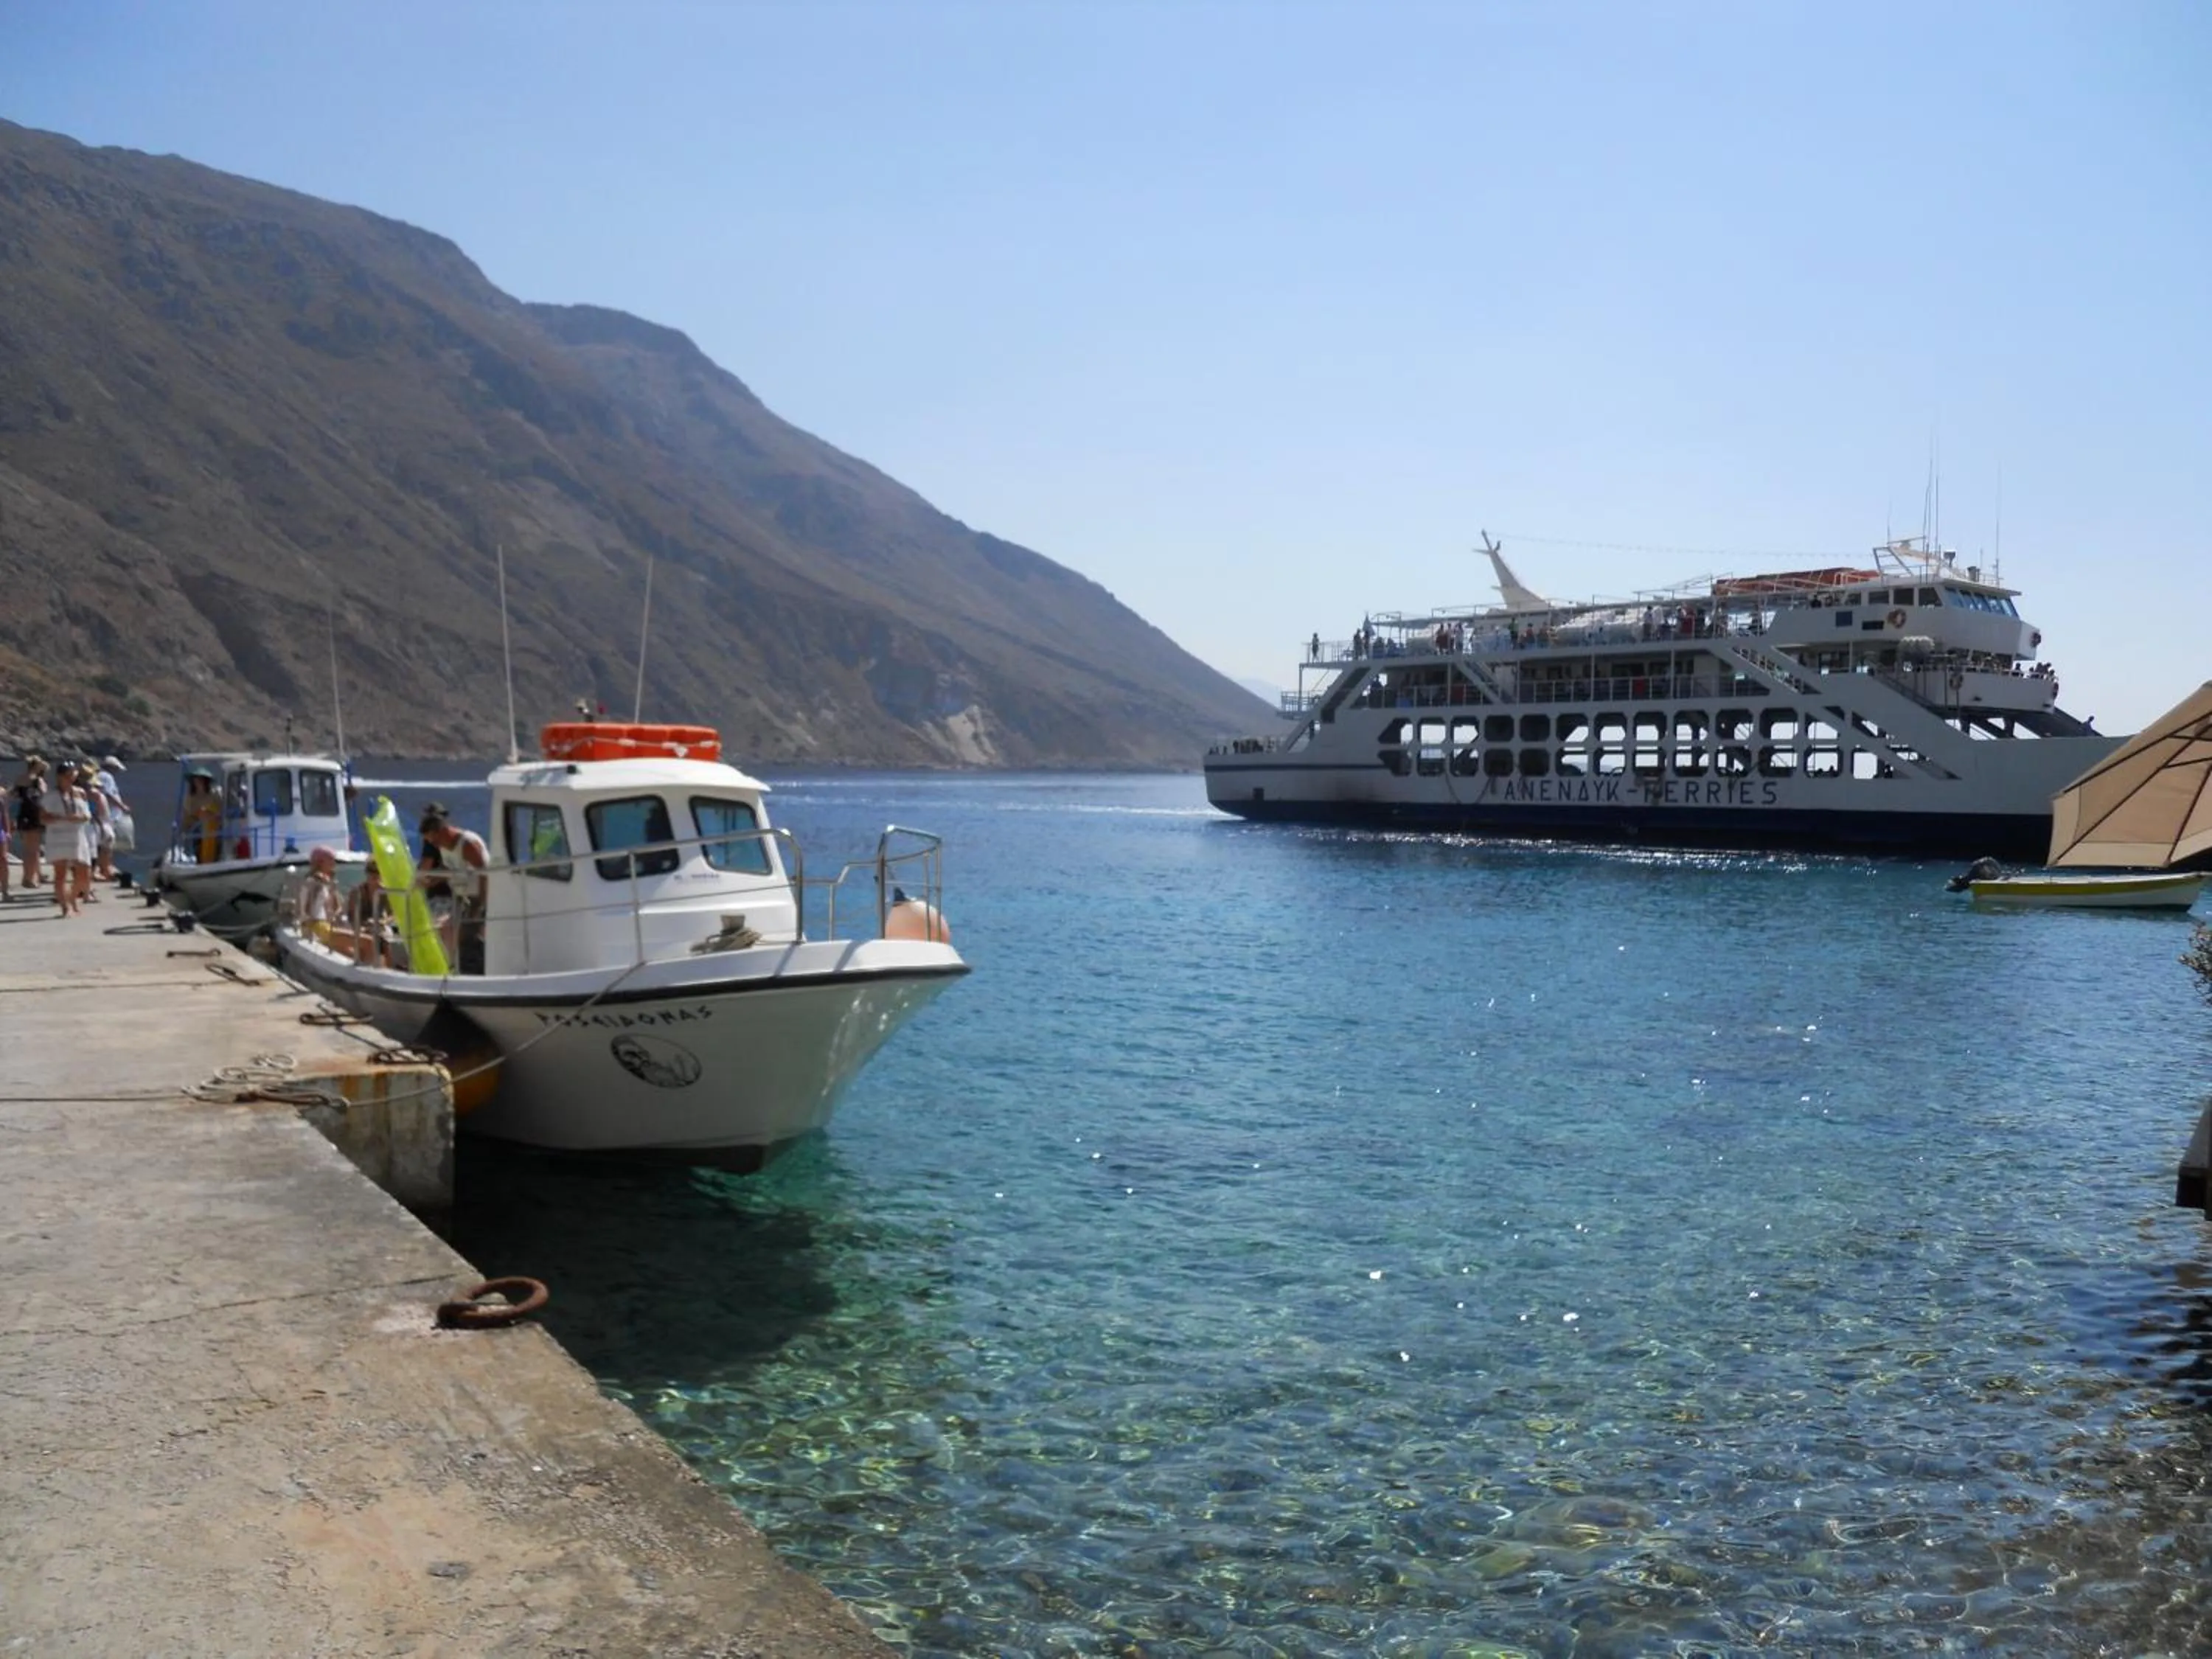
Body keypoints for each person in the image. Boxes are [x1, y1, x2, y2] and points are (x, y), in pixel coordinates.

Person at [418, 804, 489, 972]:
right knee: (443, 929)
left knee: (464, 935)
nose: (434, 845)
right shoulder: (443, 846)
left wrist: (479, 906)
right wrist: (431, 881)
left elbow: (485, 875)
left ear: (443, 831)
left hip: (478, 898)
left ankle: (465, 970)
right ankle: (450, 969)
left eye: (434, 840)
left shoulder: (467, 845)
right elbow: (448, 868)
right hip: (461, 896)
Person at [39, 763, 91, 919]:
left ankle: (72, 898)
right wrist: (60, 818)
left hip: (77, 836)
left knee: (84, 872)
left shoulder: (80, 793)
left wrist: (80, 818)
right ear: (59, 777)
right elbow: (42, 818)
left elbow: (87, 815)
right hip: (58, 836)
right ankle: (65, 907)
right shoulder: (51, 796)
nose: (70, 779)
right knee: (61, 873)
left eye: (72, 776)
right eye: (67, 776)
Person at [90, 756, 128, 880]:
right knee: (107, 843)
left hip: (101, 816)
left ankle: (101, 868)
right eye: (116, 769)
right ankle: (105, 869)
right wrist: (122, 806)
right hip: (107, 816)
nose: (117, 772)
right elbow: (109, 794)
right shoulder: (107, 777)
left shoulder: (98, 775)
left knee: (100, 844)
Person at [298, 846, 342, 942]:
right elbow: (307, 910)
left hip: (325, 924)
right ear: (320, 862)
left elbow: (337, 907)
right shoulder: (313, 882)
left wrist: (332, 887)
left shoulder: (327, 882)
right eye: (330, 860)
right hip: (316, 925)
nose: (334, 863)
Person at [13, 757, 46, 888]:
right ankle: (29, 878)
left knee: (27, 848)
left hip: (23, 814)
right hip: (34, 815)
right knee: (34, 850)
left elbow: (14, 794)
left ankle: (29, 876)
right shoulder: (38, 781)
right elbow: (44, 795)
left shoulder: (20, 779)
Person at [182, 769, 221, 864]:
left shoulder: (214, 795)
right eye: (196, 780)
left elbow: (220, 811)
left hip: (213, 827)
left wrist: (210, 813)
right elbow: (187, 816)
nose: (198, 783)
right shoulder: (190, 798)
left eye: (201, 780)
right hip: (196, 828)